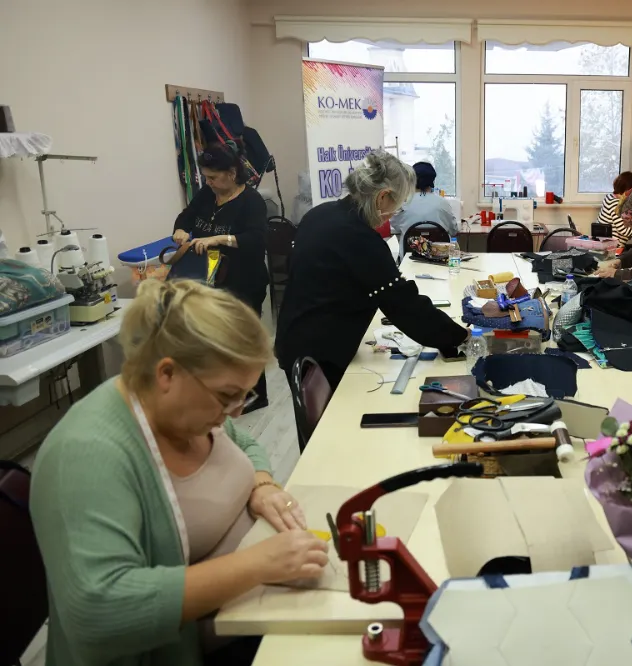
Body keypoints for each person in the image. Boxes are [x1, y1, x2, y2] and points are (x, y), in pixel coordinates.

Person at [30, 280, 330, 666]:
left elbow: (243, 444)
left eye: (246, 395)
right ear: (167, 374)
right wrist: (257, 564)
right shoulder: (86, 455)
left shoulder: (185, 412)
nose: (237, 411)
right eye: (228, 395)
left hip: (246, 615)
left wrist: (261, 484)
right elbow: (100, 611)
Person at [275, 150, 468, 408]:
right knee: (334, 424)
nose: (394, 213)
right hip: (319, 352)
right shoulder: (359, 238)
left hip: (295, 336)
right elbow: (403, 305)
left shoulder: (319, 214)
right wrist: (459, 336)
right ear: (382, 197)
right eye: (397, 205)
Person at [173, 141, 270, 412]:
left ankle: (255, 395)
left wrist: (219, 239)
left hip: (244, 280)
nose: (209, 182)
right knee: (218, 341)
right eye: (206, 177)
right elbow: (186, 217)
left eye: (213, 177)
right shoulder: (207, 194)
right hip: (211, 279)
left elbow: (257, 240)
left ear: (232, 173)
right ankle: (225, 392)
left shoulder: (251, 201)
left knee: (243, 341)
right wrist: (180, 230)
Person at [389, 161, 459, 261]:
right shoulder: (443, 203)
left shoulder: (403, 203)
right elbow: (453, 230)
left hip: (410, 260)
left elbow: (395, 226)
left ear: (411, 180)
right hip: (440, 261)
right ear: (432, 181)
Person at [596, 171, 632, 247]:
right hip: (612, 247)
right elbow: (623, 229)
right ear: (628, 189)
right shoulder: (617, 204)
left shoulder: (610, 197)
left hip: (602, 243)